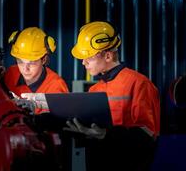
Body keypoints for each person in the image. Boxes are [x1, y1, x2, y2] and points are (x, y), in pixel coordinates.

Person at [22, 21, 160, 171]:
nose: (83, 62)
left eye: (89, 57)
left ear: (107, 56)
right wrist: (33, 110)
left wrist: (105, 134)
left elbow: (147, 136)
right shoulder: (95, 89)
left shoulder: (139, 84)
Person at [4, 27, 69, 114]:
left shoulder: (56, 86)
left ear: (44, 60)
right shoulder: (11, 74)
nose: (25, 68)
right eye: (20, 61)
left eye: (32, 63)